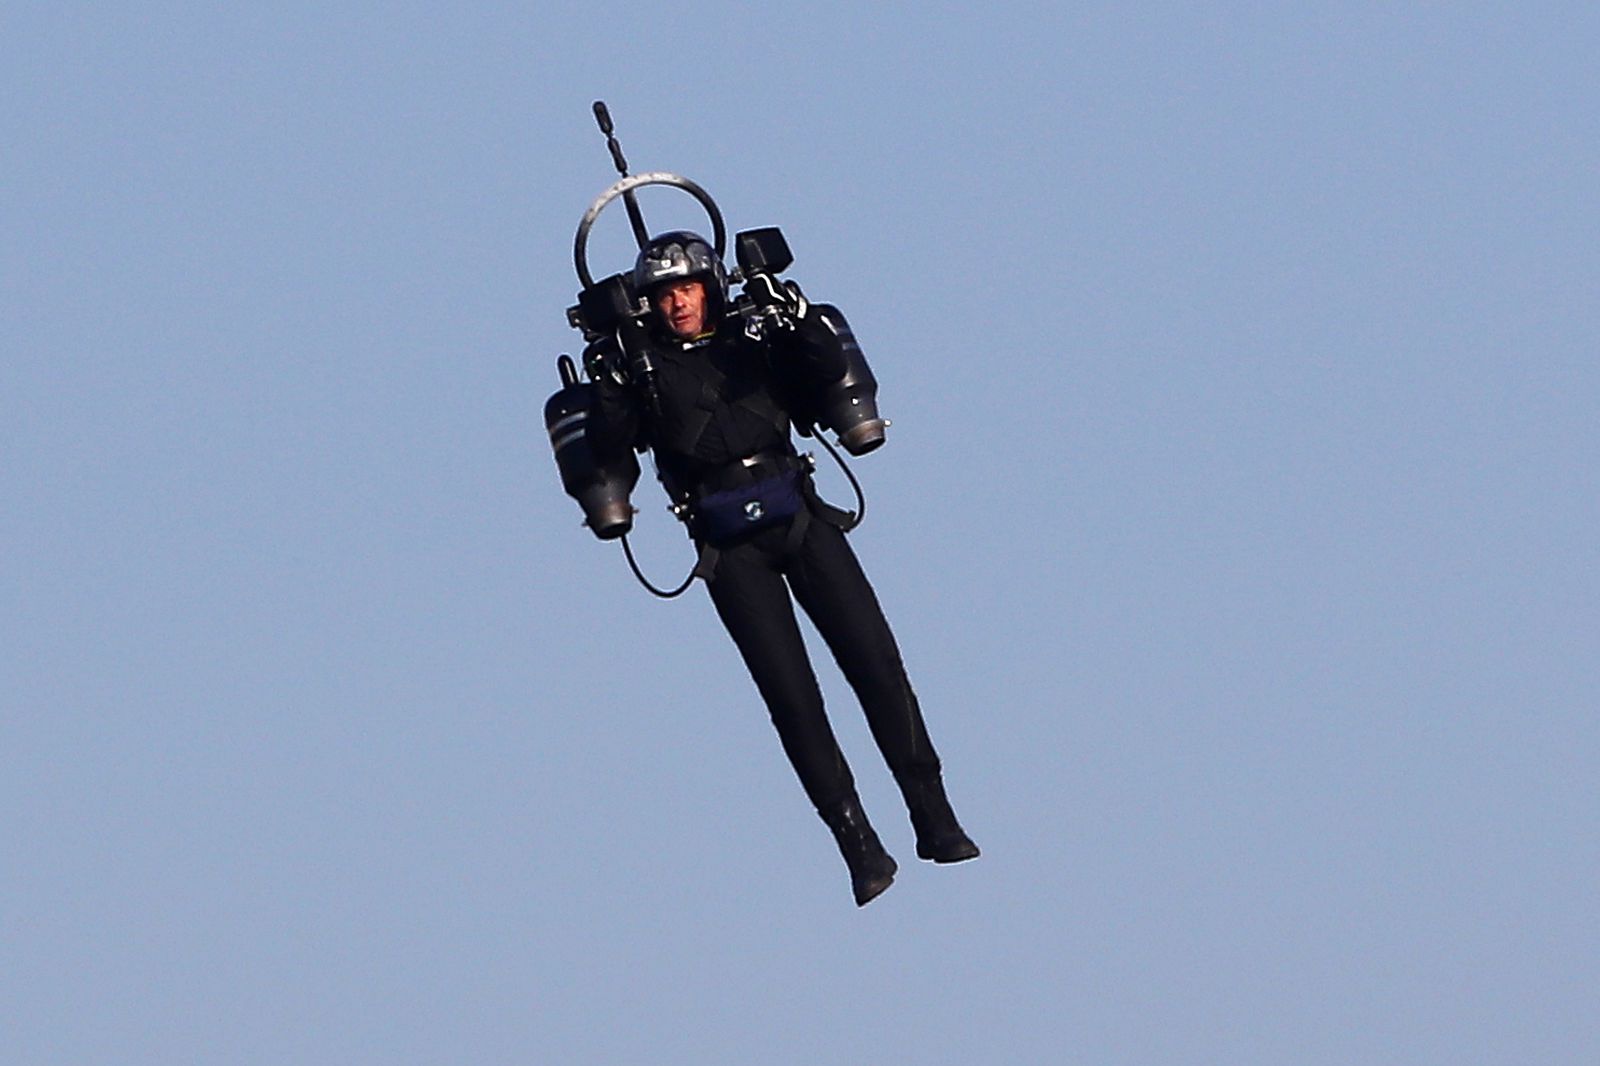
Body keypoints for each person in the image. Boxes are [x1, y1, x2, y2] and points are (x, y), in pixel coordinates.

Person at [584, 231, 977, 906]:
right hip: (730, 550)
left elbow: (822, 369)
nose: (678, 304)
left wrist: (792, 314)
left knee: (877, 666)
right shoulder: (639, 371)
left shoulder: (755, 339)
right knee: (793, 701)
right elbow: (608, 443)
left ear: (711, 287)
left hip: (802, 520)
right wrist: (615, 379)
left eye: (688, 288)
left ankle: (933, 816)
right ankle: (858, 845)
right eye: (665, 295)